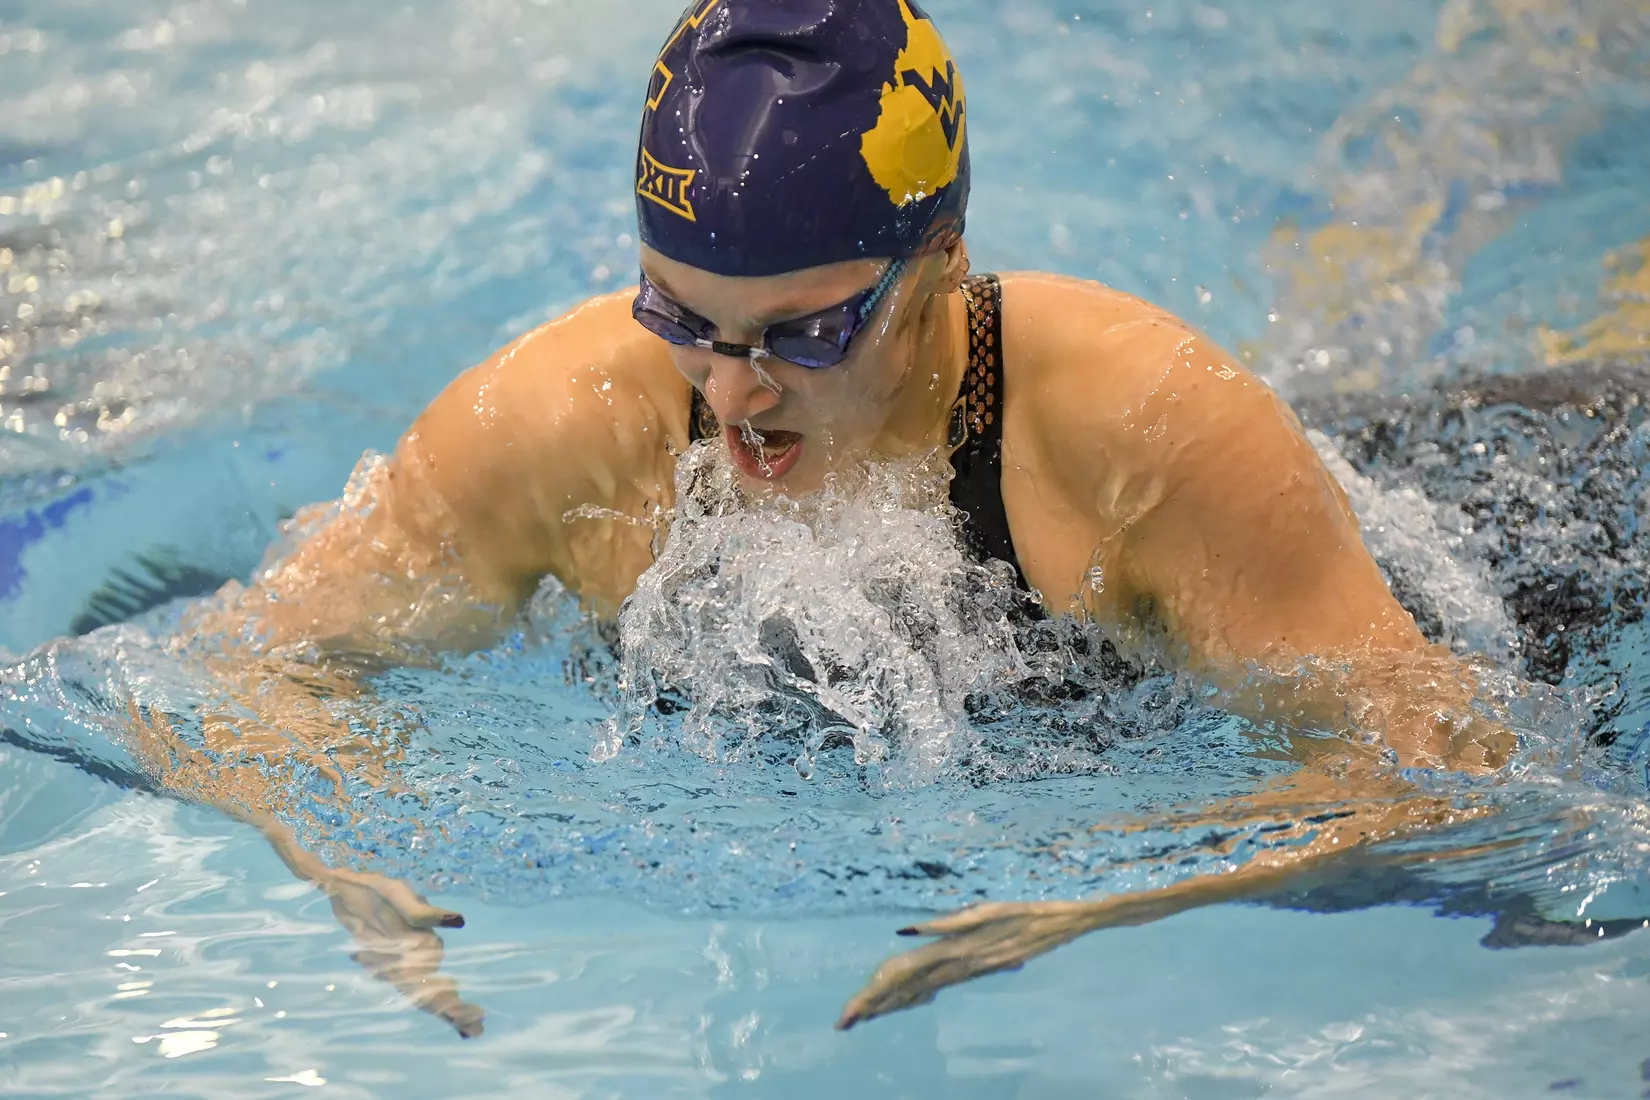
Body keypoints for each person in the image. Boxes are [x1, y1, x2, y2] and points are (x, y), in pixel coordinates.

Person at [130, 0, 1513, 1036]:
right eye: (680, 316)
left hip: (1484, 496)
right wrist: (339, 859)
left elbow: (1435, 757)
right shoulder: (554, 427)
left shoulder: (1144, 433)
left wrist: (1113, 895)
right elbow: (250, 671)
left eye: (805, 333)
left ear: (941, 265)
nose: (733, 390)